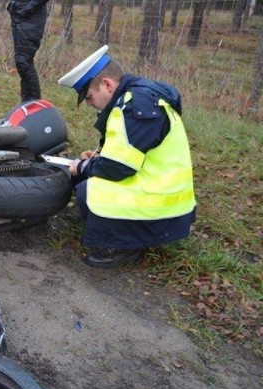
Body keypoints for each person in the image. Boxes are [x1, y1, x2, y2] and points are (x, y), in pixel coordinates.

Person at [57, 45, 196, 269]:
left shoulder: (135, 107)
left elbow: (118, 168)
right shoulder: (138, 98)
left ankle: (122, 247)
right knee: (87, 175)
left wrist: (83, 167)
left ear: (107, 85)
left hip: (163, 205)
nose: (90, 104)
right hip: (161, 192)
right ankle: (123, 234)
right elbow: (133, 149)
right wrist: (98, 157)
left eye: (90, 97)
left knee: (86, 190)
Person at [7, 0, 50, 102]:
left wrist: (27, 8)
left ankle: (34, 104)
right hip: (18, 13)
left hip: (31, 17)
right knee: (23, 63)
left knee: (24, 61)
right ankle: (27, 103)